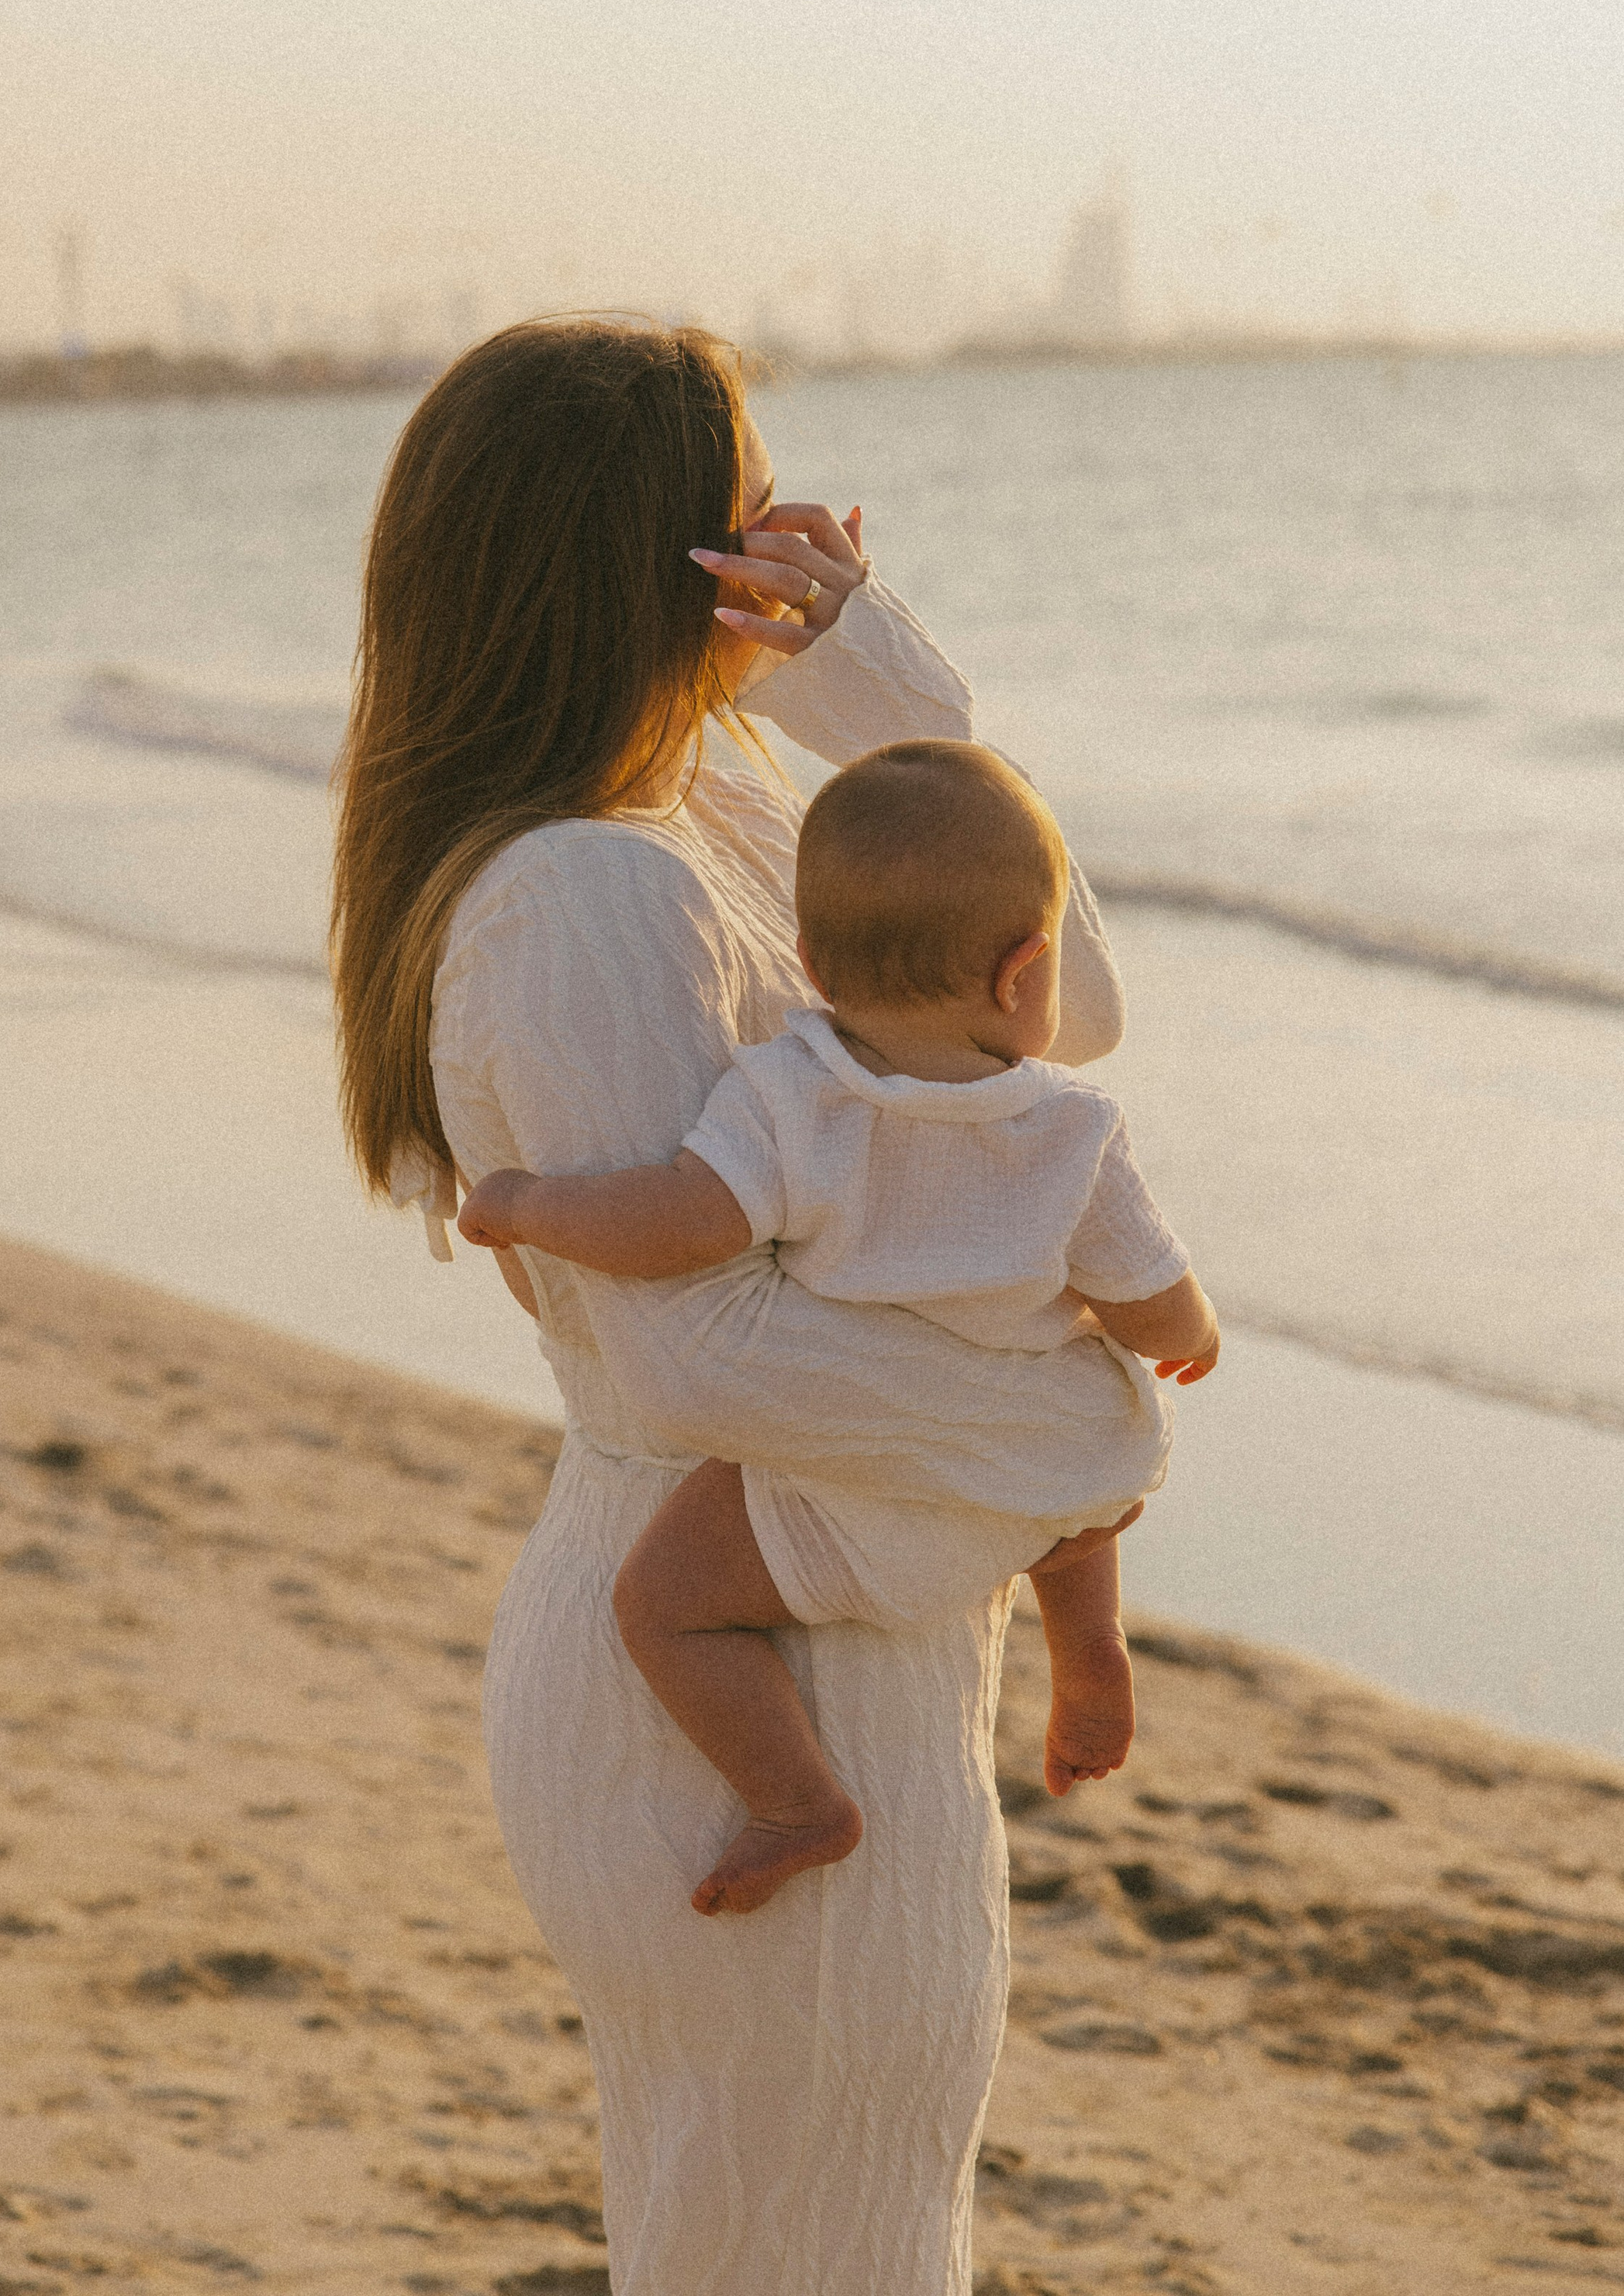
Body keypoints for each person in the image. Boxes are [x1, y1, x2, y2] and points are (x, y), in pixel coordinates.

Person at [333, 316, 1151, 2296]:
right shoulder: (580, 891)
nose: (786, 537)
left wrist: (882, 678)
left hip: (827, 1603)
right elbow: (690, 1348)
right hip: (733, 1646)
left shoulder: (703, 802)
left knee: (819, 2233)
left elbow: (1057, 1022)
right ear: (657, 559)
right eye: (739, 513)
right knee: (804, 2248)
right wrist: (1069, 1434)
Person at [458, 736, 1221, 1917]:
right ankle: (1090, 1646)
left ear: (808, 959)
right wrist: (1196, 1331)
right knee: (1077, 1412)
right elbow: (1146, 1295)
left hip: (848, 1496)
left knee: (661, 1607)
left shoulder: (789, 1094)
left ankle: (795, 1802)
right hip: (1034, 1487)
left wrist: (529, 1204)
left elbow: (681, 1224)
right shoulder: (1074, 1129)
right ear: (1028, 970)